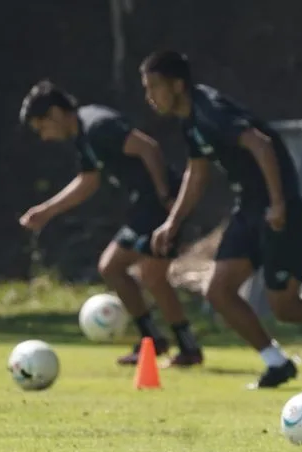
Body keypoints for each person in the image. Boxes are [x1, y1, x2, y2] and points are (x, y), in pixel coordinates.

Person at [138, 51, 302, 389]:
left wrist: (278, 203)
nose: (150, 96)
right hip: (249, 209)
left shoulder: (211, 111)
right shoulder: (192, 120)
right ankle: (276, 362)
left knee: (286, 307)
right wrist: (173, 223)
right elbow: (196, 174)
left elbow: (261, 145)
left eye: (155, 86)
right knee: (218, 289)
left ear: (177, 85)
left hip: (275, 209)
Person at [18, 80, 203, 367]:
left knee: (150, 274)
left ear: (54, 113)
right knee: (113, 267)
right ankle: (153, 341)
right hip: (145, 205)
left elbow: (148, 148)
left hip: (160, 203)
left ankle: (185, 348)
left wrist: (165, 195)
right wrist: (46, 211)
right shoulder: (83, 135)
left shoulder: (98, 124)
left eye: (42, 127)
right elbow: (88, 181)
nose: (44, 136)